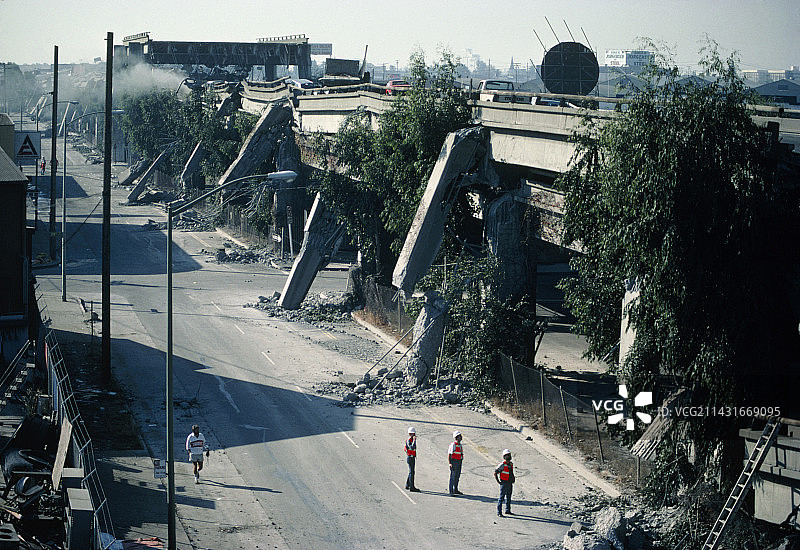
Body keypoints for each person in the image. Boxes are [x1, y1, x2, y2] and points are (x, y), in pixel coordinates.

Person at [494, 449, 515, 517]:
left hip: (509, 483)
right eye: (507, 455)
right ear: (504, 457)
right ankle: (499, 512)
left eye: (509, 455)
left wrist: (513, 478)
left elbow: (511, 473)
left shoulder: (511, 464)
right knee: (501, 498)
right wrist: (499, 482)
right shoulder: (502, 465)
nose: (508, 456)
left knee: (509, 497)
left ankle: (507, 510)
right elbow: (495, 473)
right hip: (504, 483)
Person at [448, 430, 464, 495]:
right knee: (453, 477)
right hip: (454, 462)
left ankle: (455, 489)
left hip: (459, 462)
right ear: (456, 437)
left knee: (457, 476)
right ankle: (451, 491)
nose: (461, 437)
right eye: (459, 436)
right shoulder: (453, 445)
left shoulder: (460, 445)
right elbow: (449, 455)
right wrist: (450, 463)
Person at [404, 427, 420, 492]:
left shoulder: (410, 440)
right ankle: (412, 487)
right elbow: (412, 447)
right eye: (412, 434)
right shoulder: (409, 440)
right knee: (412, 472)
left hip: (412, 457)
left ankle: (407, 485)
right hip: (410, 458)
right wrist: (414, 441)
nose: (414, 435)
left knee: (411, 472)